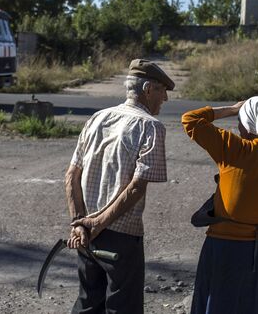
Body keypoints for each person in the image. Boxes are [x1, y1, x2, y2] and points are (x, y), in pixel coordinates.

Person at [64, 58, 175, 314]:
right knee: (123, 307)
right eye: (162, 91)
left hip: (85, 232)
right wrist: (97, 224)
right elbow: (137, 188)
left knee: (88, 303)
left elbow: (71, 175)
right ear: (148, 89)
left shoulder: (97, 118)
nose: (165, 99)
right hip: (121, 235)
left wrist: (80, 223)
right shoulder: (151, 127)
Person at [181, 96, 258, 314]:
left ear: (249, 123)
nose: (237, 126)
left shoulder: (233, 148)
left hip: (226, 247)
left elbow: (190, 120)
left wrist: (232, 108)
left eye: (240, 120)